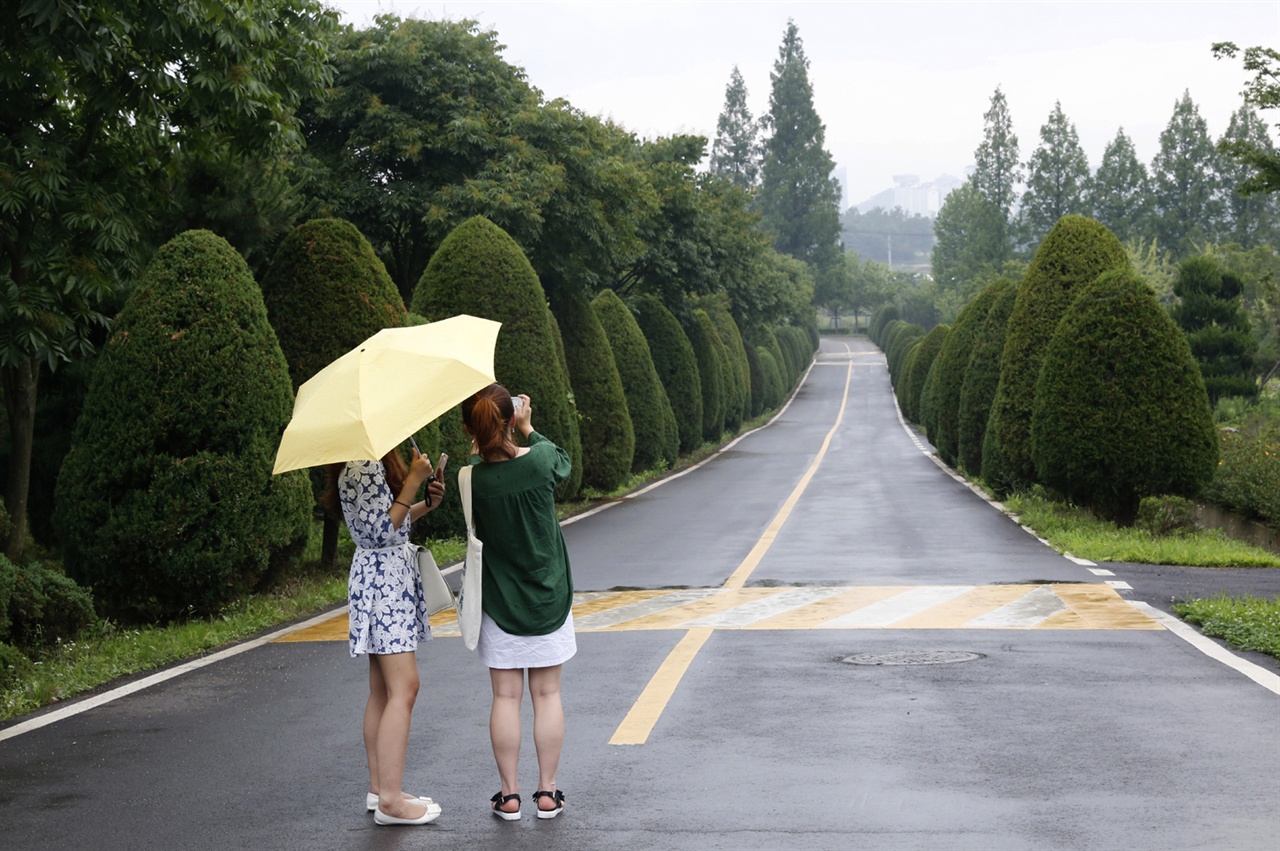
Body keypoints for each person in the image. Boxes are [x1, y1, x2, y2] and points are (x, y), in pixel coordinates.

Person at [461, 383, 574, 821]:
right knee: (547, 693)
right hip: (548, 596)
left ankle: (509, 796)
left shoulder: (469, 477)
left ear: (472, 427)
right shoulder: (542, 460)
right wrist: (529, 429)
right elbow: (563, 464)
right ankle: (547, 794)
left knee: (505, 698)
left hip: (500, 603)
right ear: (511, 417)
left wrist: (498, 432)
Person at [324, 445, 446, 827]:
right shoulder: (360, 464)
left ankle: (380, 790)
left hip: (385, 581)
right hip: (383, 588)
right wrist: (411, 481)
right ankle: (391, 801)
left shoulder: (368, 461)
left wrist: (425, 502)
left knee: (383, 690)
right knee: (405, 687)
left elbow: (392, 521)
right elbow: (378, 533)